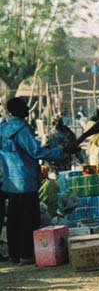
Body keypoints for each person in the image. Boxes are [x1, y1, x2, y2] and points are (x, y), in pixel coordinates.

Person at [0, 98, 63, 264]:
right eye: (25, 107)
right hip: (26, 180)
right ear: (18, 110)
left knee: (13, 219)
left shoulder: (3, 128)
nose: (28, 109)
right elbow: (35, 151)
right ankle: (27, 254)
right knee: (29, 219)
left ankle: (14, 254)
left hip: (10, 181)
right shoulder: (21, 129)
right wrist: (59, 151)